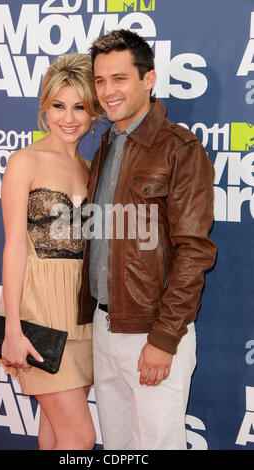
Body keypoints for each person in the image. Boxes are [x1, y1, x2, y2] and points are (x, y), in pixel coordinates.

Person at [77, 29, 217, 450]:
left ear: (148, 79)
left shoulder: (180, 148)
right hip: (105, 325)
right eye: (100, 81)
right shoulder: (105, 143)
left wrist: (164, 337)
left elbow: (195, 251)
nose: (107, 92)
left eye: (119, 79)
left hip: (152, 332)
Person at [0, 53, 99, 450]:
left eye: (80, 107)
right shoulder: (24, 162)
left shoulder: (92, 168)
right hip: (37, 317)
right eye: (59, 105)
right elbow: (14, 248)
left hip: (82, 318)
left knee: (56, 435)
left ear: (93, 111)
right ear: (45, 106)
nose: (69, 117)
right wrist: (12, 330)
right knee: (80, 437)